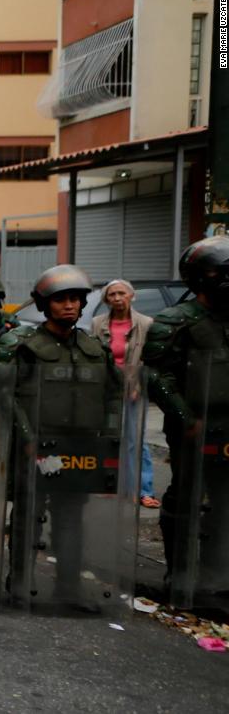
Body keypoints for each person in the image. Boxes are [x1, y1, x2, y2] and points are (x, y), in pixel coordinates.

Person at [0, 265, 123, 609]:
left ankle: (70, 589)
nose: (69, 305)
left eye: (75, 299)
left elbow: (115, 394)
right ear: (44, 305)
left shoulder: (95, 347)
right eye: (61, 299)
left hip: (81, 448)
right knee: (27, 517)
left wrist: (110, 434)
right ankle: (20, 585)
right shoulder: (22, 345)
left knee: (70, 520)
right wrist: (26, 436)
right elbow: (6, 394)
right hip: (35, 446)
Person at [144, 236, 229, 601]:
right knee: (187, 498)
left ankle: (216, 578)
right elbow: (156, 375)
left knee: (224, 503)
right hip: (193, 428)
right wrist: (186, 416)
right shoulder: (175, 321)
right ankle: (178, 576)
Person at [92, 279, 155, 507]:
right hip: (107, 390)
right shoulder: (97, 323)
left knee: (136, 440)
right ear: (106, 300)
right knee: (109, 438)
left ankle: (143, 490)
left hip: (134, 389)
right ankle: (109, 486)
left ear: (131, 296)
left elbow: (149, 359)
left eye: (121, 294)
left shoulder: (145, 324)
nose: (117, 298)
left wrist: (138, 384)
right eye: (112, 295)